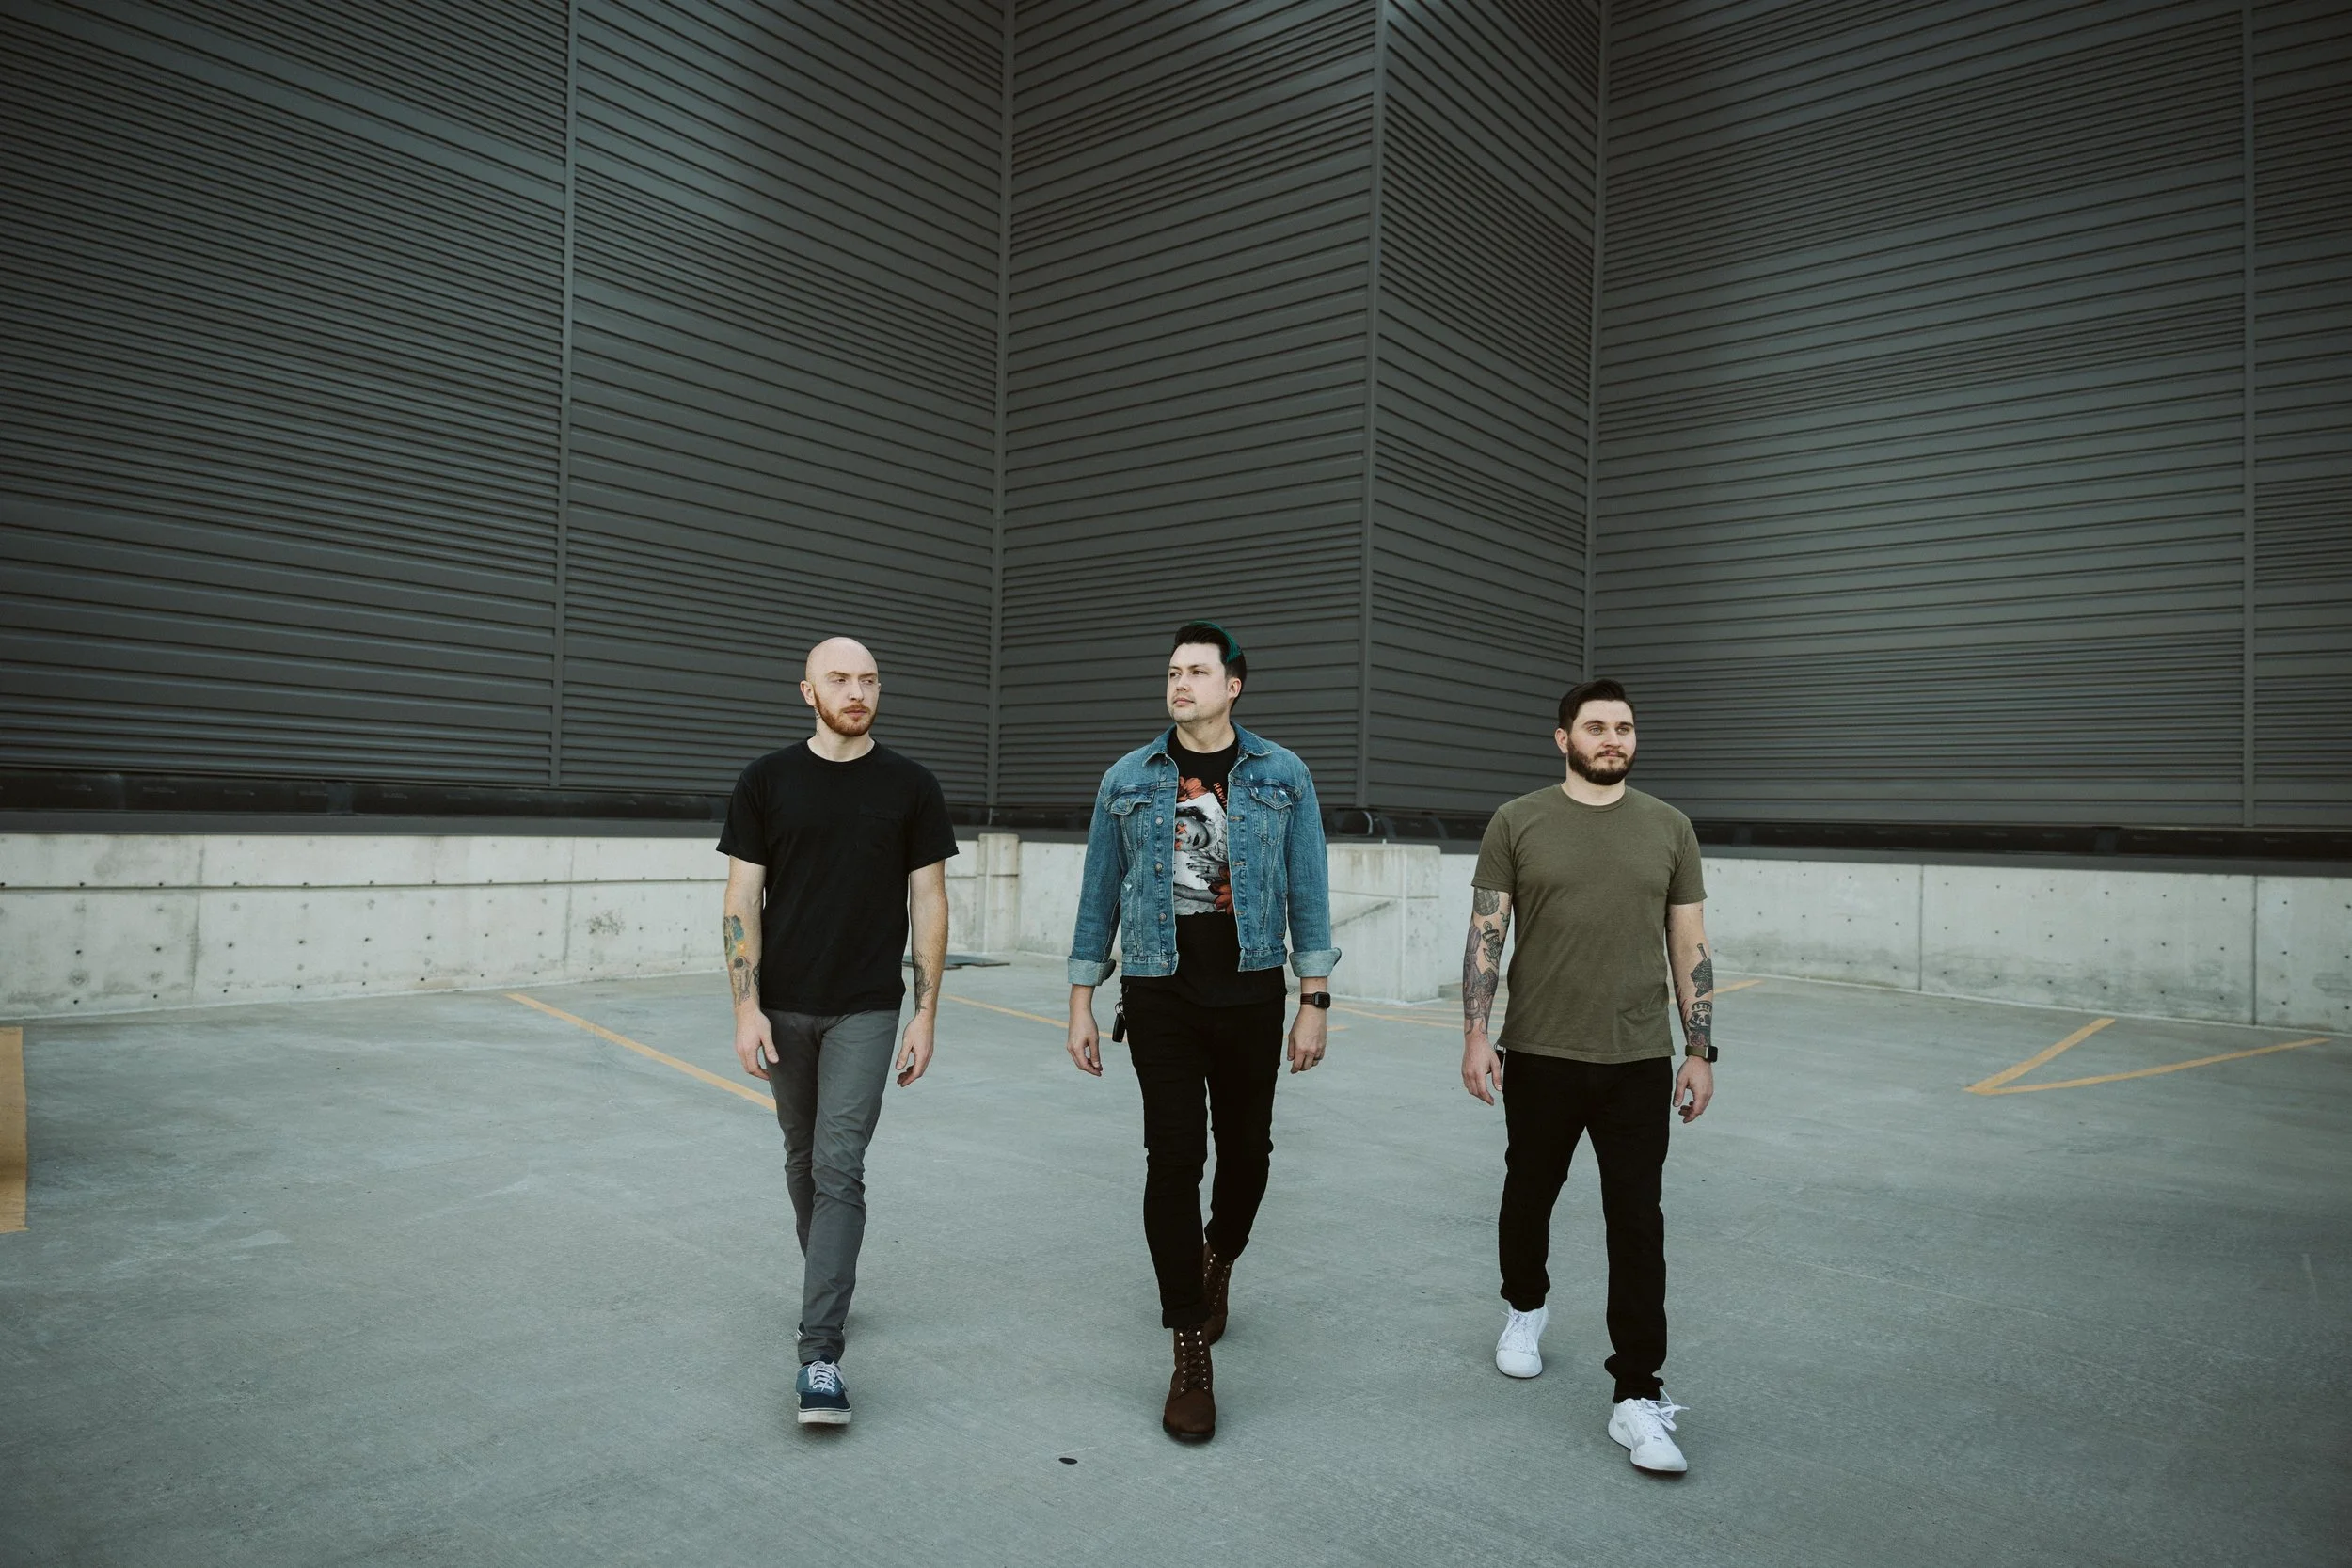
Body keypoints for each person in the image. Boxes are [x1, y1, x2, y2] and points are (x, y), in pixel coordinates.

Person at [1064, 621, 1341, 1441]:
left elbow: (1308, 887)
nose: (1180, 683)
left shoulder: (1283, 774)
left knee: (1248, 1156)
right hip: (1160, 995)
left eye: (1197, 671)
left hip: (1254, 993)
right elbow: (1097, 895)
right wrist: (1081, 997)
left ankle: (1217, 1261)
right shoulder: (1128, 777)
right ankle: (1189, 1342)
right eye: (1173, 671)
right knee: (1174, 1158)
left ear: (1234, 684)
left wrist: (1313, 997)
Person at [1459, 677, 1717, 1474]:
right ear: (1562, 736)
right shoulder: (1519, 821)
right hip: (1539, 1049)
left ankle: (1637, 1394)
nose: (1614, 739)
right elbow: (1485, 936)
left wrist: (1700, 1048)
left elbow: (1691, 944)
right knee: (1528, 1190)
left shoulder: (1669, 828)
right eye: (1598, 727)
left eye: (1626, 728)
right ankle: (1524, 1307)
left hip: (1638, 1057)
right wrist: (1476, 1032)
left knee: (1638, 1221)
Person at [719, 636, 957, 1428]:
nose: (857, 691)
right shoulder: (767, 780)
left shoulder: (911, 786)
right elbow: (740, 901)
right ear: (806, 691)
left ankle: (819, 1353)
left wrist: (925, 1012)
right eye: (840, 679)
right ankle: (831, 1271)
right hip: (782, 1003)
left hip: (867, 1006)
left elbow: (929, 902)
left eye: (869, 679)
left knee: (838, 1163)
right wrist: (745, 1007)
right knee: (800, 1158)